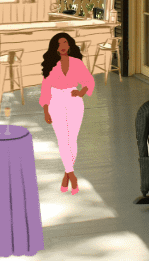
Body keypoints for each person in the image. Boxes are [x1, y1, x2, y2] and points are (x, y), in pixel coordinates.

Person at [39, 32, 95, 195]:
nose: (62, 46)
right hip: (55, 101)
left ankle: (67, 173)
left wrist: (81, 92)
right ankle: (72, 175)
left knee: (72, 139)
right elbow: (45, 89)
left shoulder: (77, 63)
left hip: (74, 101)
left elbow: (89, 81)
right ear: (55, 48)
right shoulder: (51, 65)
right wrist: (46, 110)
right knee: (63, 139)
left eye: (64, 43)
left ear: (69, 45)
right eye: (59, 44)